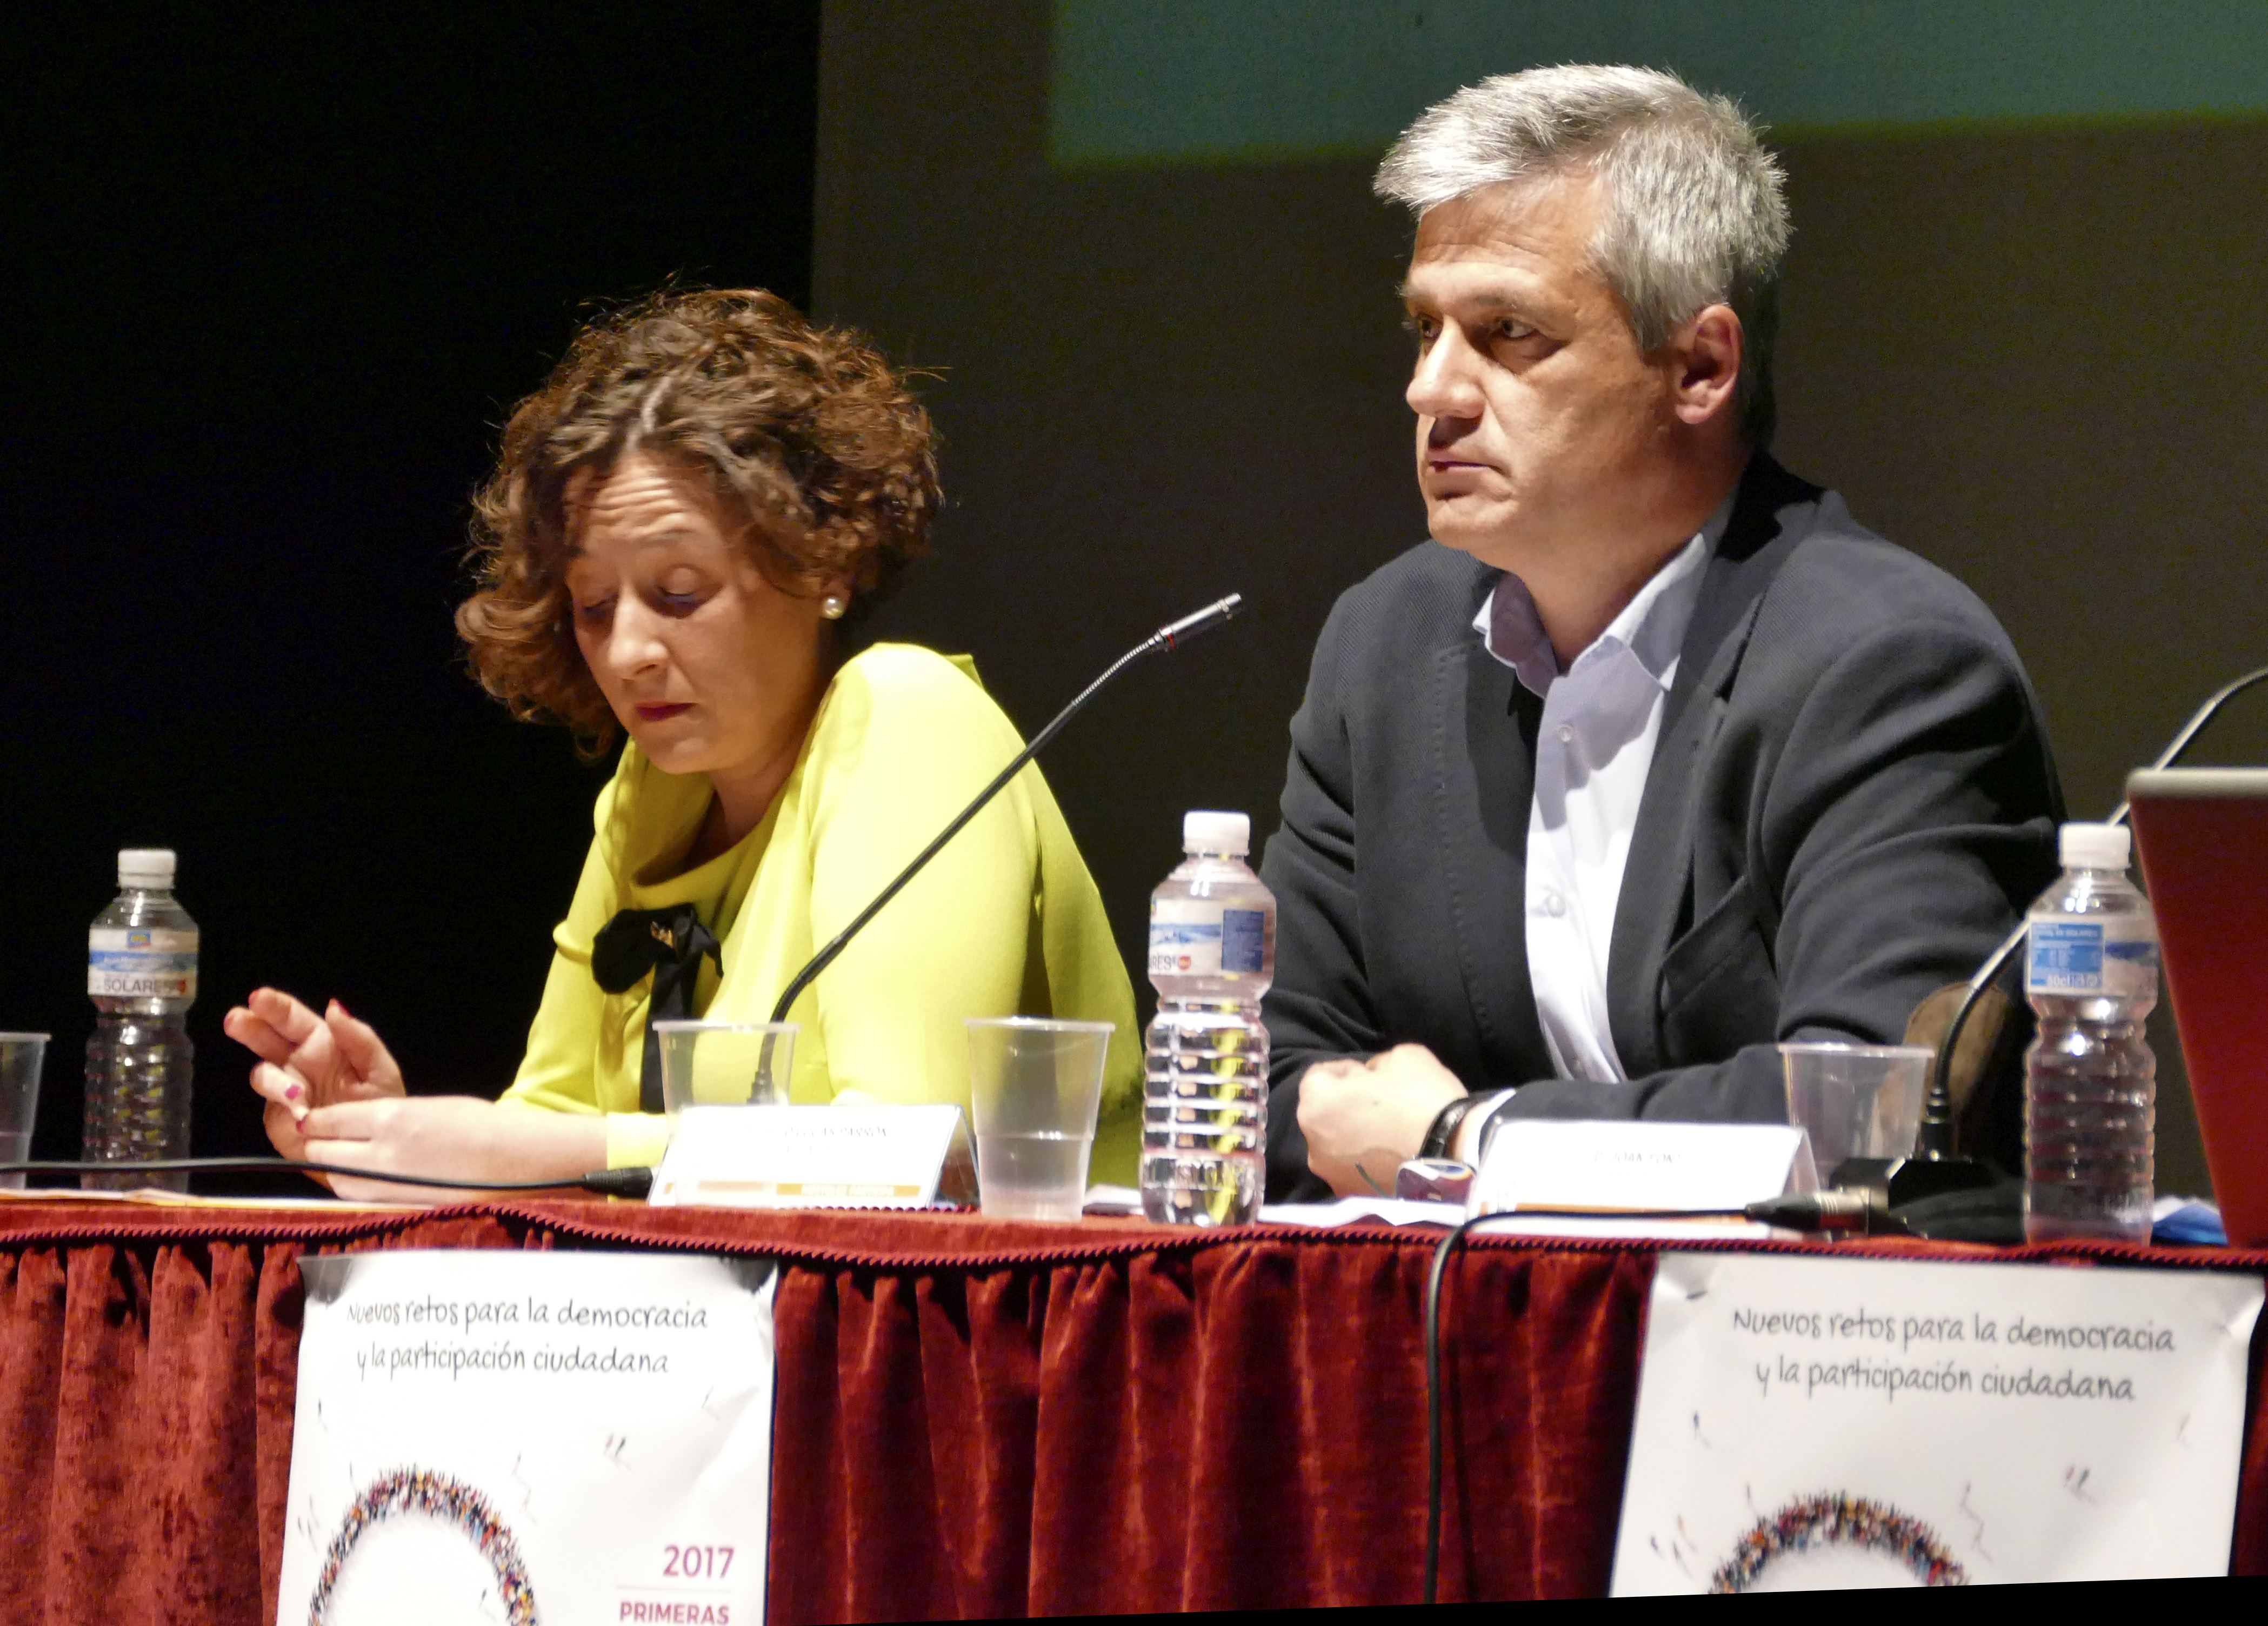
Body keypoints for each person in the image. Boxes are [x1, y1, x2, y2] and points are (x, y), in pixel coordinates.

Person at [1263, 66, 2064, 1201]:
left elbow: (1874, 1113)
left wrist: (1469, 1139)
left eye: (1507, 332)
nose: (1431, 390)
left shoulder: (1890, 666)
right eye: (1424, 329)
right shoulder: (1384, 648)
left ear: (1700, 367)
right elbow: (1268, 1087)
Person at [225, 289, 1141, 1198]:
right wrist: (383, 1139)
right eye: (593, 605)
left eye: (678, 593)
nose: (626, 651)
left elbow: (911, 1156)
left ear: (824, 560)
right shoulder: (654, 791)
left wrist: (520, 1154)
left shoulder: (908, 714)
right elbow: (554, 1126)